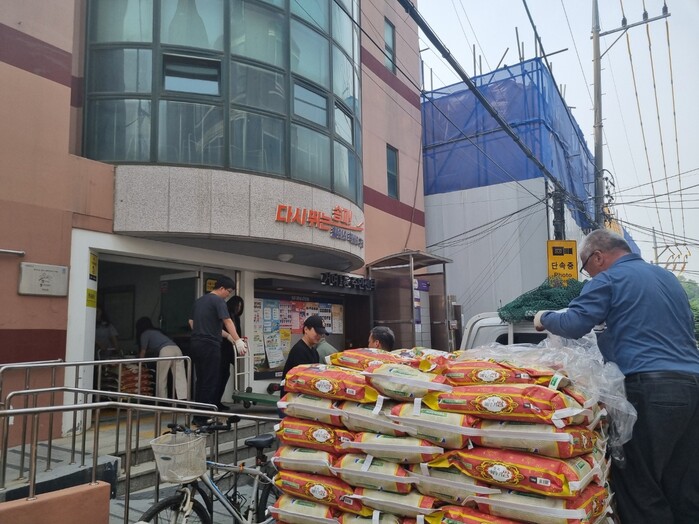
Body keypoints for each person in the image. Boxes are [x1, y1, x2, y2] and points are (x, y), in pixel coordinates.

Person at [533, 228, 699, 524]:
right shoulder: (667, 279)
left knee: (639, 483)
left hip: (650, 391)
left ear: (598, 257)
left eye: (586, 267)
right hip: (692, 388)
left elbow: (574, 324)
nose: (588, 274)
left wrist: (544, 317)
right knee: (683, 485)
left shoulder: (610, 279)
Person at [188, 276, 247, 424]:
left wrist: (228, 337)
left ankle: (197, 415)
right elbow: (228, 321)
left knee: (201, 380)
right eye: (228, 291)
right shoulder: (218, 301)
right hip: (210, 345)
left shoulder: (199, 301)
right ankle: (203, 418)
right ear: (221, 288)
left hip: (196, 344)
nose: (228, 295)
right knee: (210, 380)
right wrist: (238, 340)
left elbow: (191, 322)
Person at [136, 316, 188, 400]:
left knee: (162, 377)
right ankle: (184, 399)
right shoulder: (158, 332)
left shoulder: (145, 334)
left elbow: (143, 351)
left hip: (166, 351)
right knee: (180, 376)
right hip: (177, 349)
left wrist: (139, 364)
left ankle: (162, 400)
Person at [278, 315, 326, 403]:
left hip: (303, 398)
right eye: (317, 332)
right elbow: (302, 380)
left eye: (321, 333)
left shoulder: (314, 351)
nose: (319, 336)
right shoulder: (299, 350)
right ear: (306, 329)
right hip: (292, 400)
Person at [216, 295, 244, 410]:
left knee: (224, 375)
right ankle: (215, 401)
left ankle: (217, 401)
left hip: (228, 350)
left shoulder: (235, 318)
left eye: (240, 307)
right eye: (238, 306)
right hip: (222, 349)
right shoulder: (226, 317)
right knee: (220, 375)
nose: (239, 309)